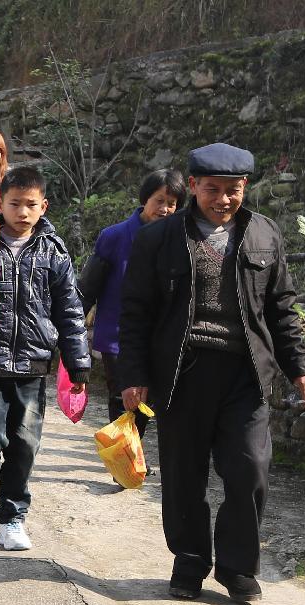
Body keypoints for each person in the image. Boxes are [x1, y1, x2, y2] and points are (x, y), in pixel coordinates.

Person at [117, 143, 305, 603]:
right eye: (213, 190)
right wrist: (132, 375)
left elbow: (282, 310)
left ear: (245, 187)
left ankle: (237, 569)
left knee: (249, 470)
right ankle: (189, 563)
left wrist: (299, 368)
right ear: (193, 187)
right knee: (184, 476)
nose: (223, 200)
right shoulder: (159, 238)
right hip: (182, 374)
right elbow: (136, 314)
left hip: (245, 376)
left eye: (233, 191)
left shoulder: (265, 235)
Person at [0, 166, 90, 551]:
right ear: (0, 203)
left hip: (33, 363)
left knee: (24, 443)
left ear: (43, 206)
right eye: (15, 204)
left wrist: (77, 362)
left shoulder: (54, 252)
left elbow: (70, 311)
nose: (23, 212)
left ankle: (12, 517)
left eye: (31, 205)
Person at [78, 169, 186, 451]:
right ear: (145, 199)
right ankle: (125, 458)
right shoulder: (113, 237)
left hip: (158, 337)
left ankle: (130, 451)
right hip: (116, 334)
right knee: (122, 395)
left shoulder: (178, 242)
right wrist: (72, 327)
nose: (165, 209)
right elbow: (89, 286)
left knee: (146, 400)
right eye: (159, 200)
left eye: (172, 203)